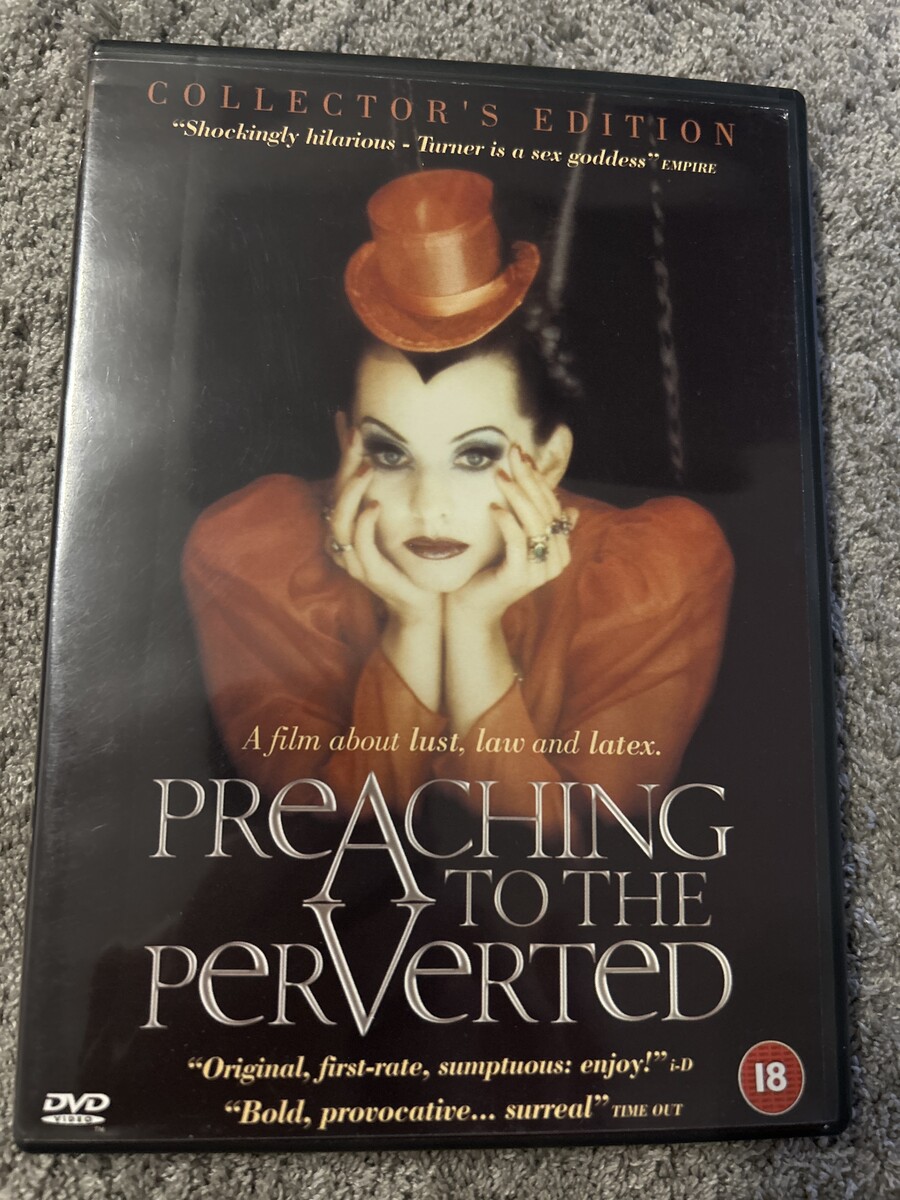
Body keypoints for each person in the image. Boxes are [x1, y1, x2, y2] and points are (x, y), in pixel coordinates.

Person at [182, 169, 734, 831]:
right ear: (347, 444)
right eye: (391, 454)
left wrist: (474, 628)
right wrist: (414, 625)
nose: (429, 505)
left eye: (476, 456)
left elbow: (584, 844)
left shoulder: (654, 574)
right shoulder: (255, 557)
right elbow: (321, 834)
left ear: (548, 460)